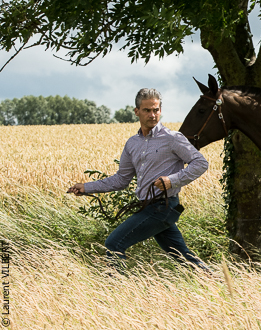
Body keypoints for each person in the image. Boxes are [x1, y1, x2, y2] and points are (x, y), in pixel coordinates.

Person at [68, 88, 209, 273]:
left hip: (164, 206)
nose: (152, 115)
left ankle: (117, 290)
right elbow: (121, 179)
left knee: (114, 243)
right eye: (147, 110)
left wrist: (172, 180)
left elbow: (201, 163)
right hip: (148, 206)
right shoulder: (132, 144)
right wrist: (86, 187)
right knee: (181, 255)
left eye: (156, 110)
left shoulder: (173, 138)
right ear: (137, 111)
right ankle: (214, 281)